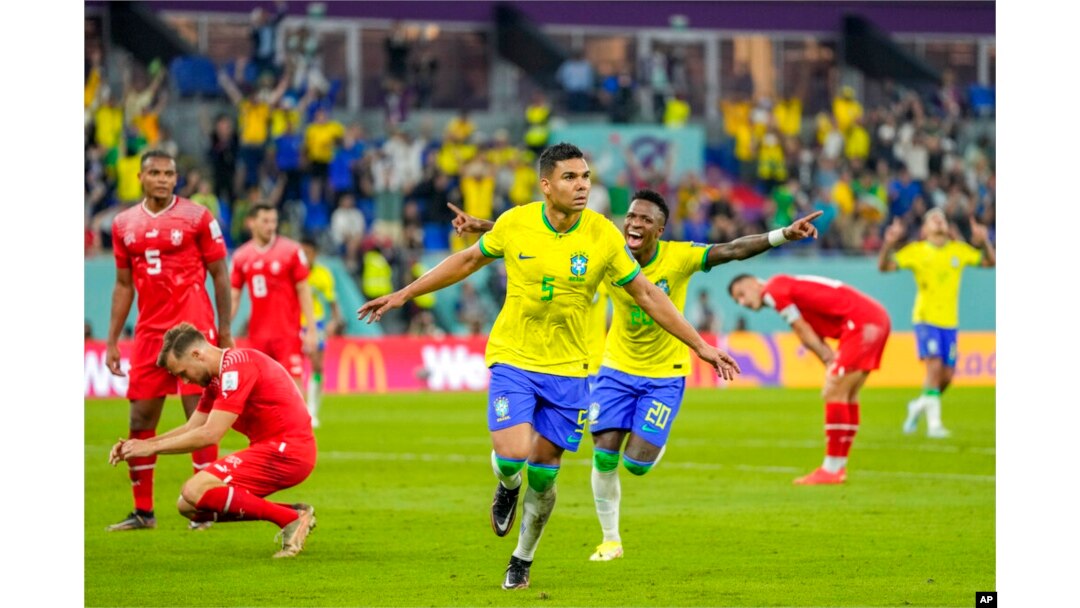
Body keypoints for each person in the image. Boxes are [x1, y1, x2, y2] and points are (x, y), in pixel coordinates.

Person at [358, 143, 741, 590]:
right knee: (513, 457)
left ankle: (522, 558)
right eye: (570, 178)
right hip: (514, 358)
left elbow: (649, 294)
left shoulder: (603, 235)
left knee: (544, 475)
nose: (581, 186)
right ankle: (506, 484)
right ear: (546, 185)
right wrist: (403, 294)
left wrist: (701, 346)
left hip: (571, 369)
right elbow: (467, 259)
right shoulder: (516, 222)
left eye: (585, 178)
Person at [450, 190, 821, 561]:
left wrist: (783, 235)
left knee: (636, 464)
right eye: (631, 217)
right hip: (616, 369)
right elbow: (546, 232)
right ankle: (610, 539)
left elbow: (733, 249)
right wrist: (482, 227)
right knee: (604, 456)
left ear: (659, 230)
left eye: (645, 220)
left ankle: (653, 441)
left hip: (665, 373)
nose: (634, 224)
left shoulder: (680, 257)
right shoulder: (610, 249)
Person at [109, 322, 317, 558]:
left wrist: (151, 448)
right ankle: (293, 514)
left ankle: (289, 520)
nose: (185, 382)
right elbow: (192, 427)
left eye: (183, 373)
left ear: (196, 354)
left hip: (287, 451)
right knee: (188, 506)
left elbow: (211, 434)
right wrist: (139, 445)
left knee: (195, 489)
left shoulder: (237, 368)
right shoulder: (218, 380)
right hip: (273, 450)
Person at [105, 149, 233, 531]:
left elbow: (220, 274)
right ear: (141, 178)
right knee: (140, 417)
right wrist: (112, 339)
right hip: (148, 335)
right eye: (154, 172)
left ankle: (204, 507)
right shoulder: (123, 223)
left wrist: (224, 331)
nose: (162, 178)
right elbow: (124, 284)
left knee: (199, 417)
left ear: (176, 178)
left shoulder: (197, 217)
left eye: (169, 173)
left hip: (193, 331)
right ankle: (143, 511)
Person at [728, 272, 891, 485]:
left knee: (833, 392)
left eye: (741, 294)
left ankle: (831, 469)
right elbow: (811, 329)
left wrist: (828, 360)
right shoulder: (786, 287)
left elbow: (801, 329)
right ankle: (838, 467)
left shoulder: (772, 291)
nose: (743, 303)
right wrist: (829, 360)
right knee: (847, 394)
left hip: (861, 323)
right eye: (737, 301)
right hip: (872, 318)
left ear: (753, 283)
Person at [877, 209, 996, 437]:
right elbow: (884, 267)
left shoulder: (958, 251)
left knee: (947, 376)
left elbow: (991, 262)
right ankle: (935, 425)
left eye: (942, 217)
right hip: (925, 319)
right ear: (924, 230)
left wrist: (985, 242)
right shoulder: (916, 252)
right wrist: (888, 244)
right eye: (933, 218)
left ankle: (918, 406)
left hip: (950, 322)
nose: (939, 220)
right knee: (933, 369)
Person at [230, 203, 319, 393]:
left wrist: (311, 329)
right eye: (265, 221)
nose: (270, 226)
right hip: (257, 335)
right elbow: (234, 296)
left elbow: (304, 290)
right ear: (251, 223)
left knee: (293, 387)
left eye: (273, 221)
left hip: (287, 333)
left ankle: (299, 424)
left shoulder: (291, 250)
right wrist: (223, 328)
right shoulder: (241, 256)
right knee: (258, 388)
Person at [300, 237, 344, 428]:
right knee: (291, 367)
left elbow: (332, 302)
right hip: (292, 324)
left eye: (308, 253)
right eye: (302, 252)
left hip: (315, 324)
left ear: (315, 254)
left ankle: (312, 409)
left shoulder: (323, 274)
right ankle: (298, 409)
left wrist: (335, 321)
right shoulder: (293, 272)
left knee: (317, 367)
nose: (304, 257)